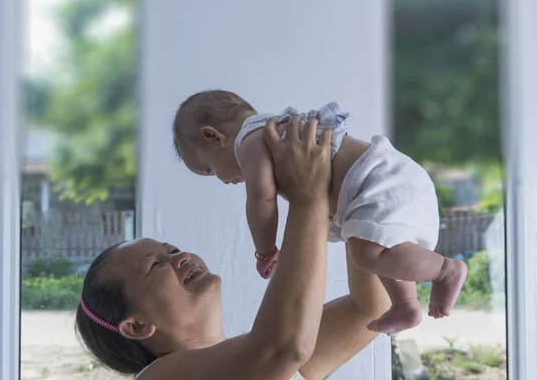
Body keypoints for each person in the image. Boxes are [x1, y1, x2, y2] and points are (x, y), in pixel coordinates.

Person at [76, 116, 391, 379]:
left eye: (172, 251)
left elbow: (371, 309)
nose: (180, 257)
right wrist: (308, 197)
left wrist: (351, 190)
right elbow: (284, 348)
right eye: (156, 265)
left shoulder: (271, 357)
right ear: (137, 325)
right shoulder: (158, 377)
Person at [171, 89, 468, 335]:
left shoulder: (250, 141)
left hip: (377, 179)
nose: (223, 181)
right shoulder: (271, 129)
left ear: (213, 136)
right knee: (371, 250)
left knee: (365, 253)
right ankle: (405, 305)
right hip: (384, 179)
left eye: (209, 170)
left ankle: (445, 271)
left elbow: (262, 199)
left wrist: (264, 250)